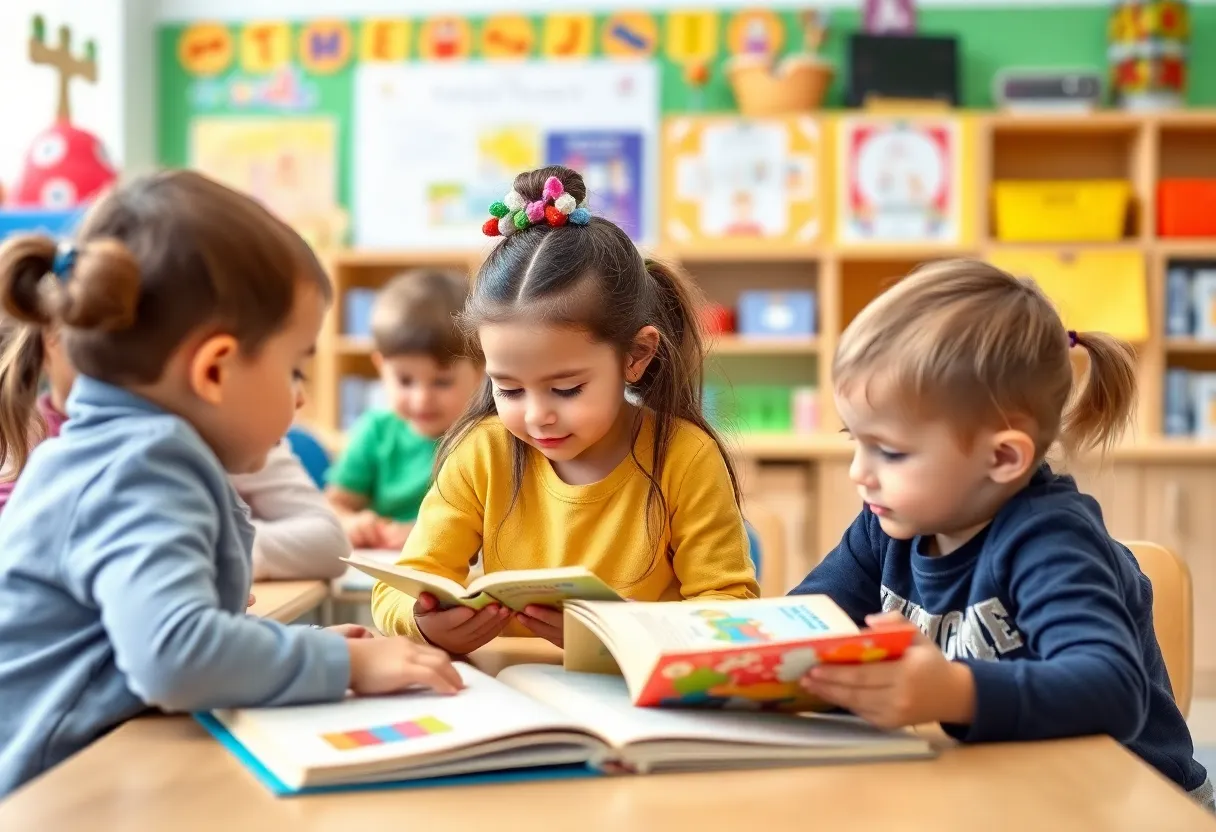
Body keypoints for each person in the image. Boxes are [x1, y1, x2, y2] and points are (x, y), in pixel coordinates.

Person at [0, 171, 462, 797]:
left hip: (87, 768)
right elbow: (173, 658)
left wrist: (279, 646)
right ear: (215, 369)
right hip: (55, 791)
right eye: (294, 365)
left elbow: (146, 638)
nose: (300, 397)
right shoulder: (143, 467)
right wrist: (344, 664)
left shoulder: (112, 453)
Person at [788, 258, 1212, 811]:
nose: (858, 472)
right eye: (855, 440)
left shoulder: (1051, 539)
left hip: (1132, 802)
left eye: (890, 451)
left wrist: (952, 691)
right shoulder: (887, 524)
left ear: (1003, 457)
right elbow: (807, 623)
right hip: (1004, 787)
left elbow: (1111, 692)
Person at [371, 165, 759, 652]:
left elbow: (732, 606)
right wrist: (423, 621)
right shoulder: (483, 453)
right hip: (513, 696)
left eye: (567, 389)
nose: (536, 416)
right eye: (508, 390)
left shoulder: (684, 457)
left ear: (636, 356)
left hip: (641, 702)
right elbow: (397, 587)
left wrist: (625, 629)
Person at [0, 324, 349, 581]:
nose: (299, 397)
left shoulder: (212, 444)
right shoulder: (35, 444)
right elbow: (172, 649)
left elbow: (186, 640)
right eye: (291, 372)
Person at [326, 271, 482, 550]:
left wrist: (427, 533)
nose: (422, 400)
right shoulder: (376, 431)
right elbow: (334, 505)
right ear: (380, 367)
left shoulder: (484, 439)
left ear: (480, 372)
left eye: (442, 382)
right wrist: (351, 522)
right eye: (404, 380)